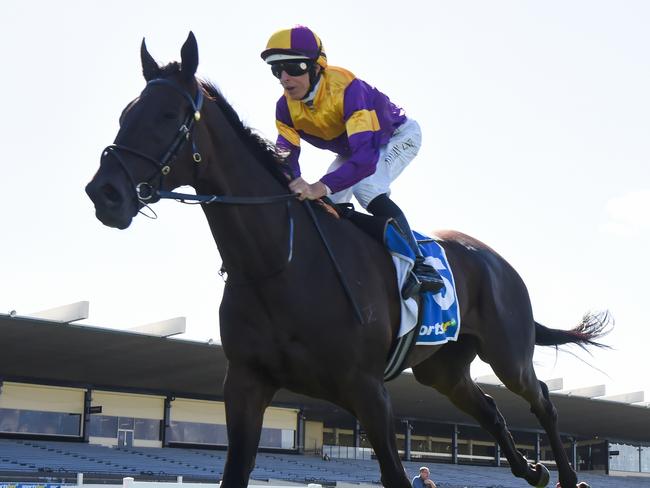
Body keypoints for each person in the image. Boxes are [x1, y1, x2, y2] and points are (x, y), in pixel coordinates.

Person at [260, 25, 444, 299]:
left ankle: (421, 265)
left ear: (316, 66)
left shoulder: (348, 90)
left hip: (397, 136)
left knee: (366, 188)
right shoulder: (285, 107)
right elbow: (285, 155)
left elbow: (366, 159)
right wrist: (292, 182)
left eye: (294, 67)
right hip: (354, 146)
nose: (285, 78)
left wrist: (319, 186)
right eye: (277, 69)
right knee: (325, 207)